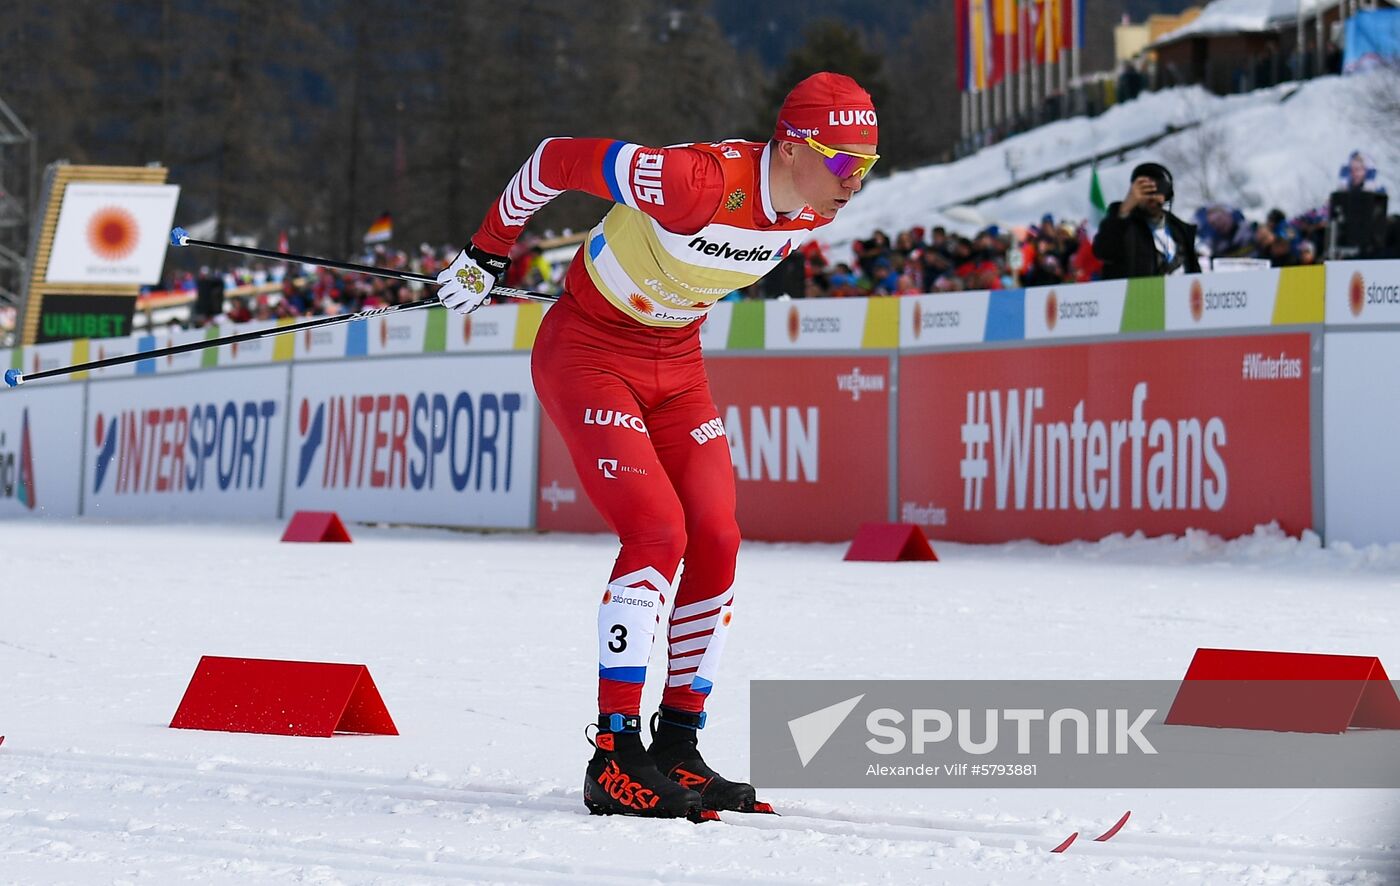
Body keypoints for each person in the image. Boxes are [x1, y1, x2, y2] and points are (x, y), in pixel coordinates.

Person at [434, 72, 879, 821]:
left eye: (867, 167)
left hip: (676, 366)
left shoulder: (811, 205)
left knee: (715, 537)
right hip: (588, 356)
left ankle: (676, 745)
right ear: (796, 145)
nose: (854, 184)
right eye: (843, 163)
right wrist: (487, 252)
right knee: (656, 531)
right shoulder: (692, 181)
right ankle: (613, 756)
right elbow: (551, 161)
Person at [1092, 162, 1201, 279]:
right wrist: (1124, 209)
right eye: (1146, 190)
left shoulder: (1180, 230)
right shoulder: (1124, 224)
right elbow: (1103, 251)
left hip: (1179, 294)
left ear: (1167, 195)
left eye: (1159, 189)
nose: (1153, 196)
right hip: (1136, 295)